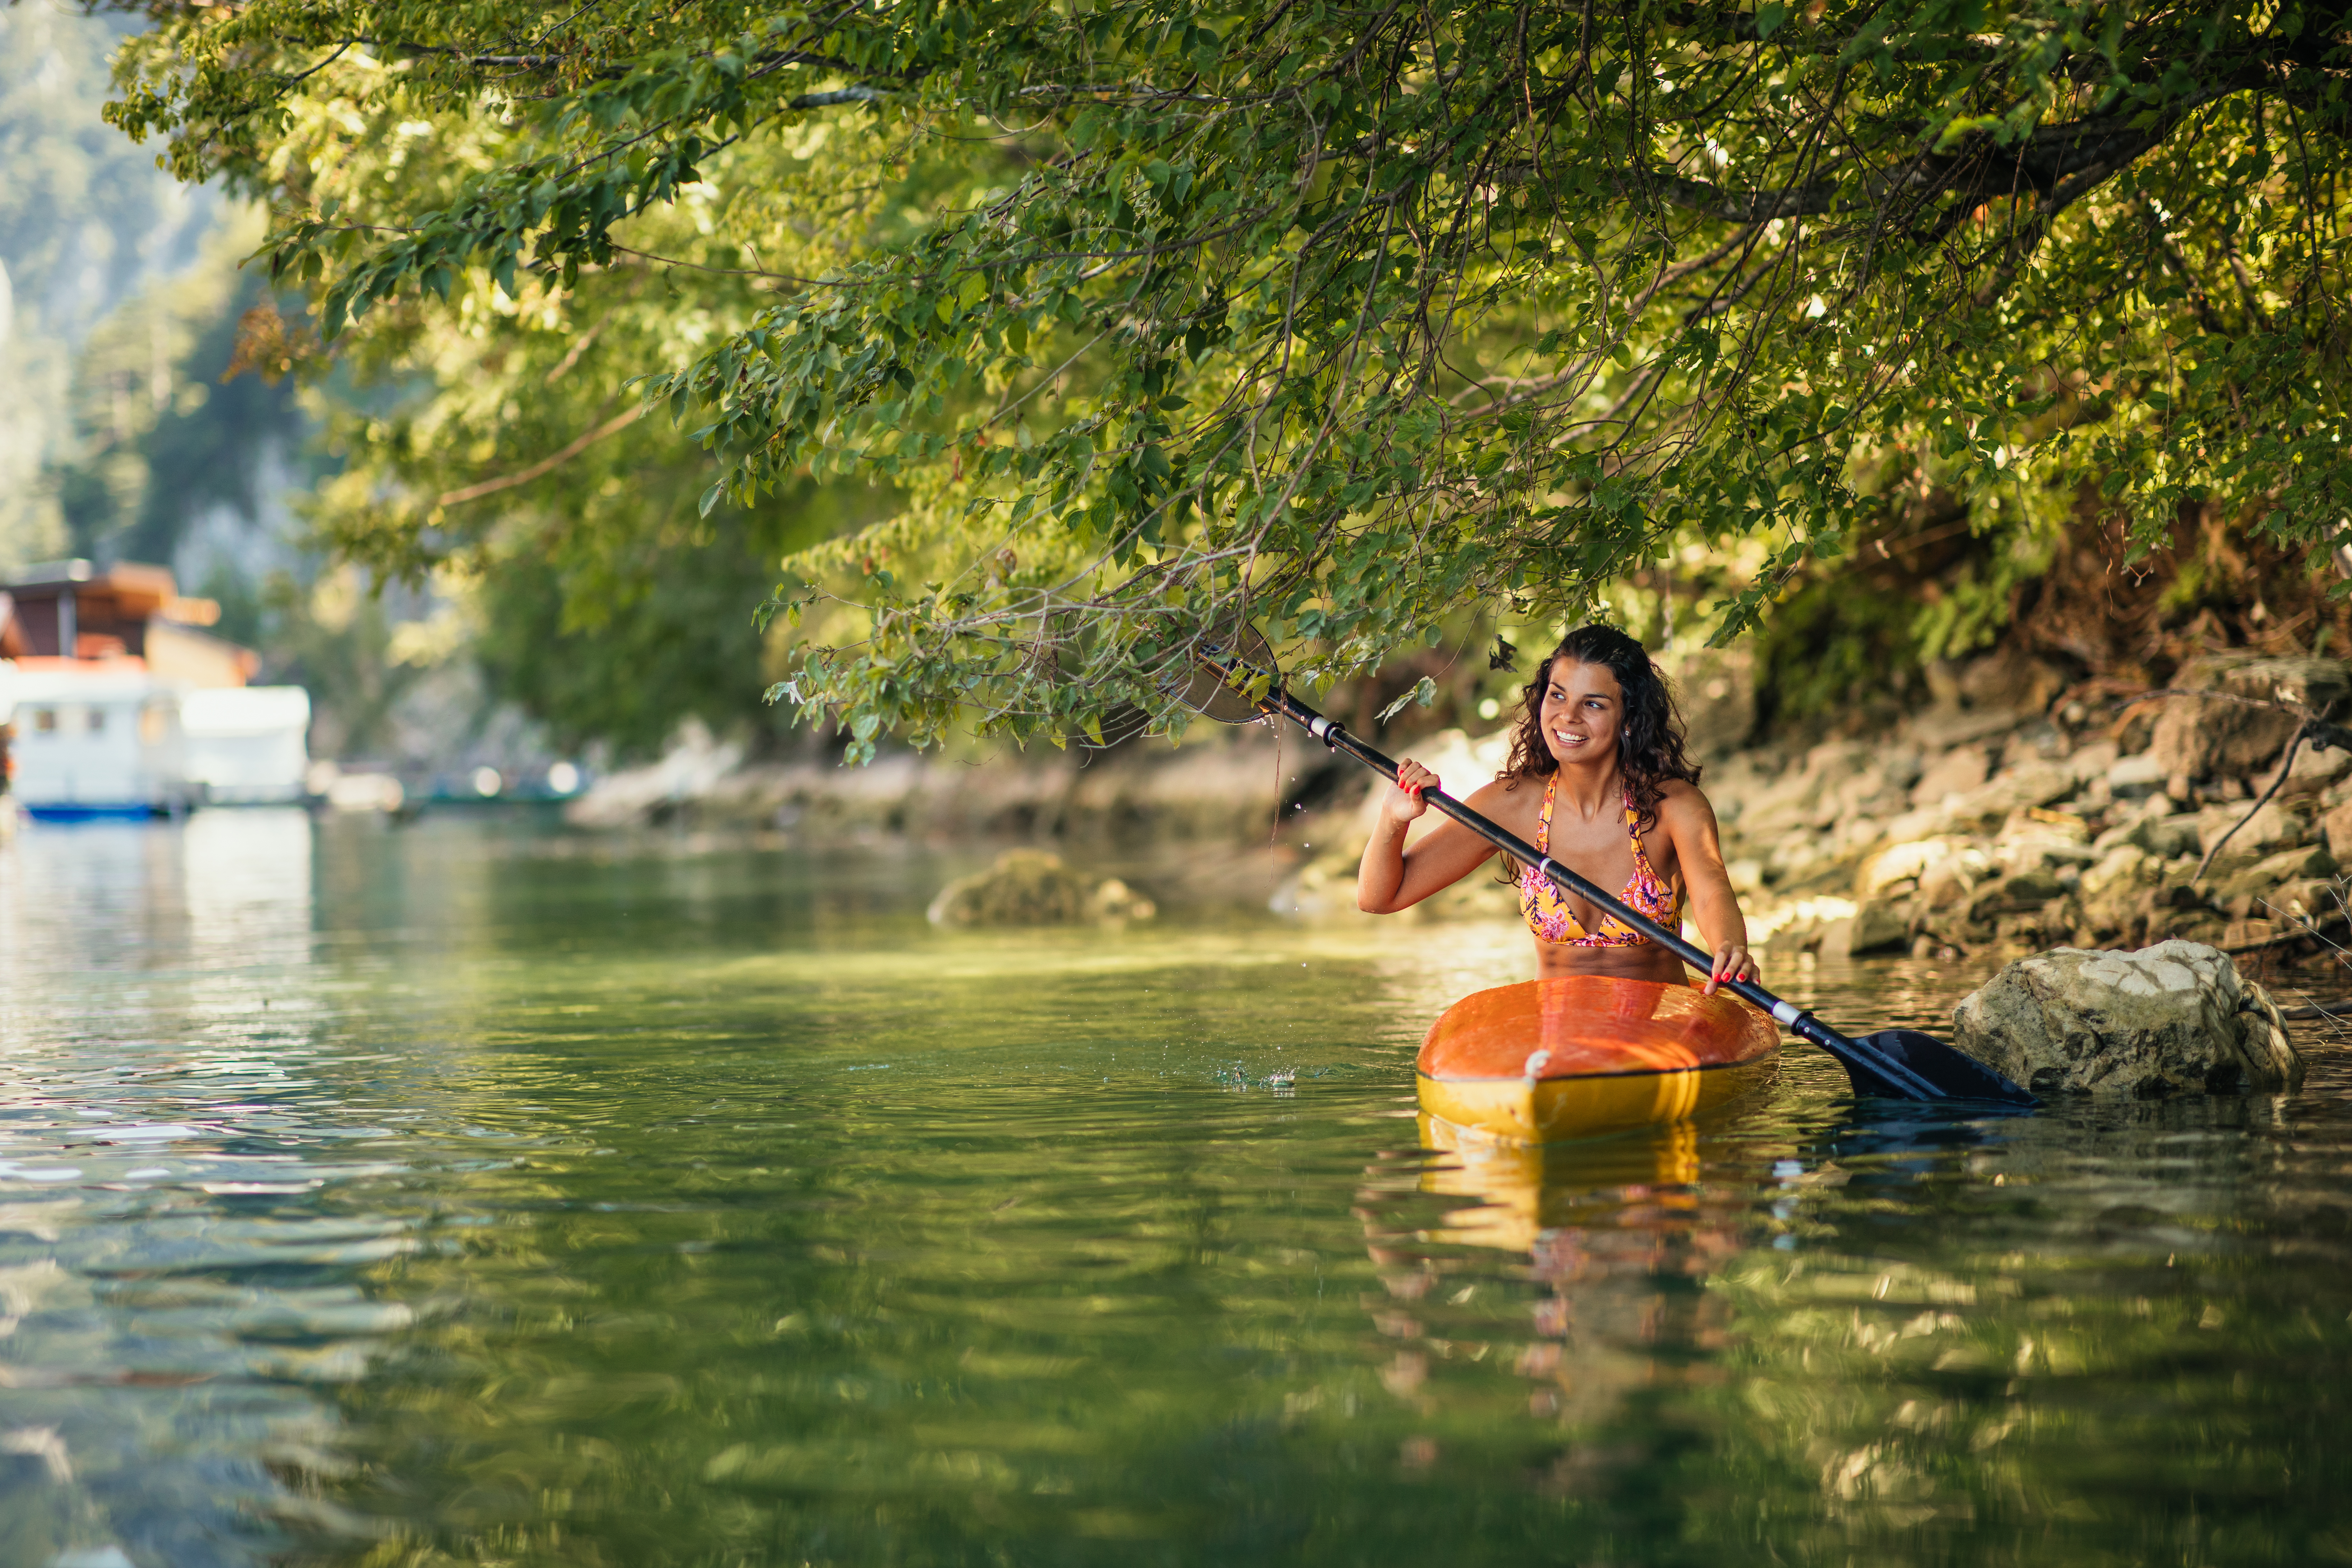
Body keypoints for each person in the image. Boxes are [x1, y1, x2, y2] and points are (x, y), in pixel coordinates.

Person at [1355, 624, 1757, 994]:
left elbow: (1711, 893)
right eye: (1558, 695)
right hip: (1556, 1034)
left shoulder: (1674, 807)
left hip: (1656, 1026)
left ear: (1629, 718)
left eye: (1594, 705)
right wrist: (1393, 819)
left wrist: (1729, 947)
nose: (1568, 715)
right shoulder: (1512, 806)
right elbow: (1379, 898)